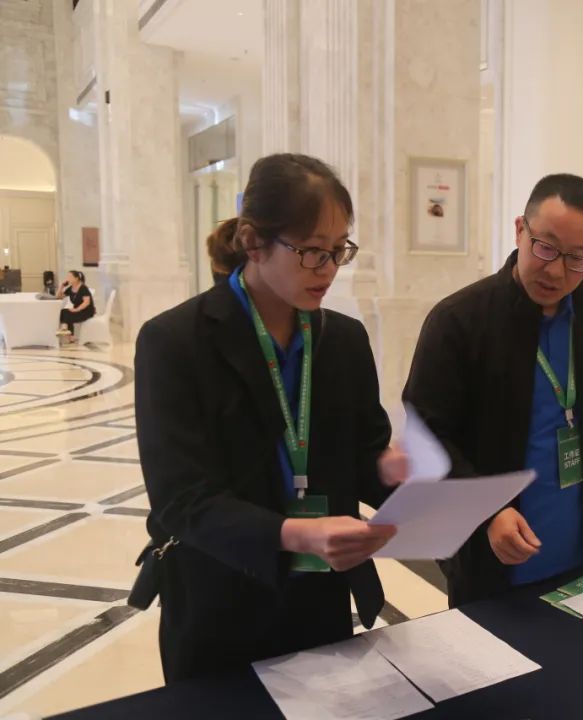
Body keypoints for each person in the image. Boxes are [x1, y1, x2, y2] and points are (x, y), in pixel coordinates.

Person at [134, 153, 408, 682]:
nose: (328, 269)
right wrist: (296, 534)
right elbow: (181, 500)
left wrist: (398, 472)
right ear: (253, 242)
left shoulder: (343, 340)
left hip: (320, 596)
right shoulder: (175, 342)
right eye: (312, 251)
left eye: (339, 250)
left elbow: (366, 455)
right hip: (220, 599)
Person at [403, 174, 583, 607]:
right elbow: (425, 438)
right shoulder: (459, 321)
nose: (556, 270)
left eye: (578, 258)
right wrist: (487, 512)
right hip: (492, 560)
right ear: (520, 230)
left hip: (575, 553)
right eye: (546, 247)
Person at [55, 270, 95, 341]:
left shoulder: (83, 288)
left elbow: (87, 302)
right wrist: (61, 286)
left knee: (66, 313)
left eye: (70, 277)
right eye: (67, 277)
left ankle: (67, 332)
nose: (67, 279)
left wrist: (76, 309)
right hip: (78, 310)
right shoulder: (71, 288)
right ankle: (67, 332)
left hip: (86, 312)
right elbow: (58, 297)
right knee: (63, 312)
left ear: (76, 278)